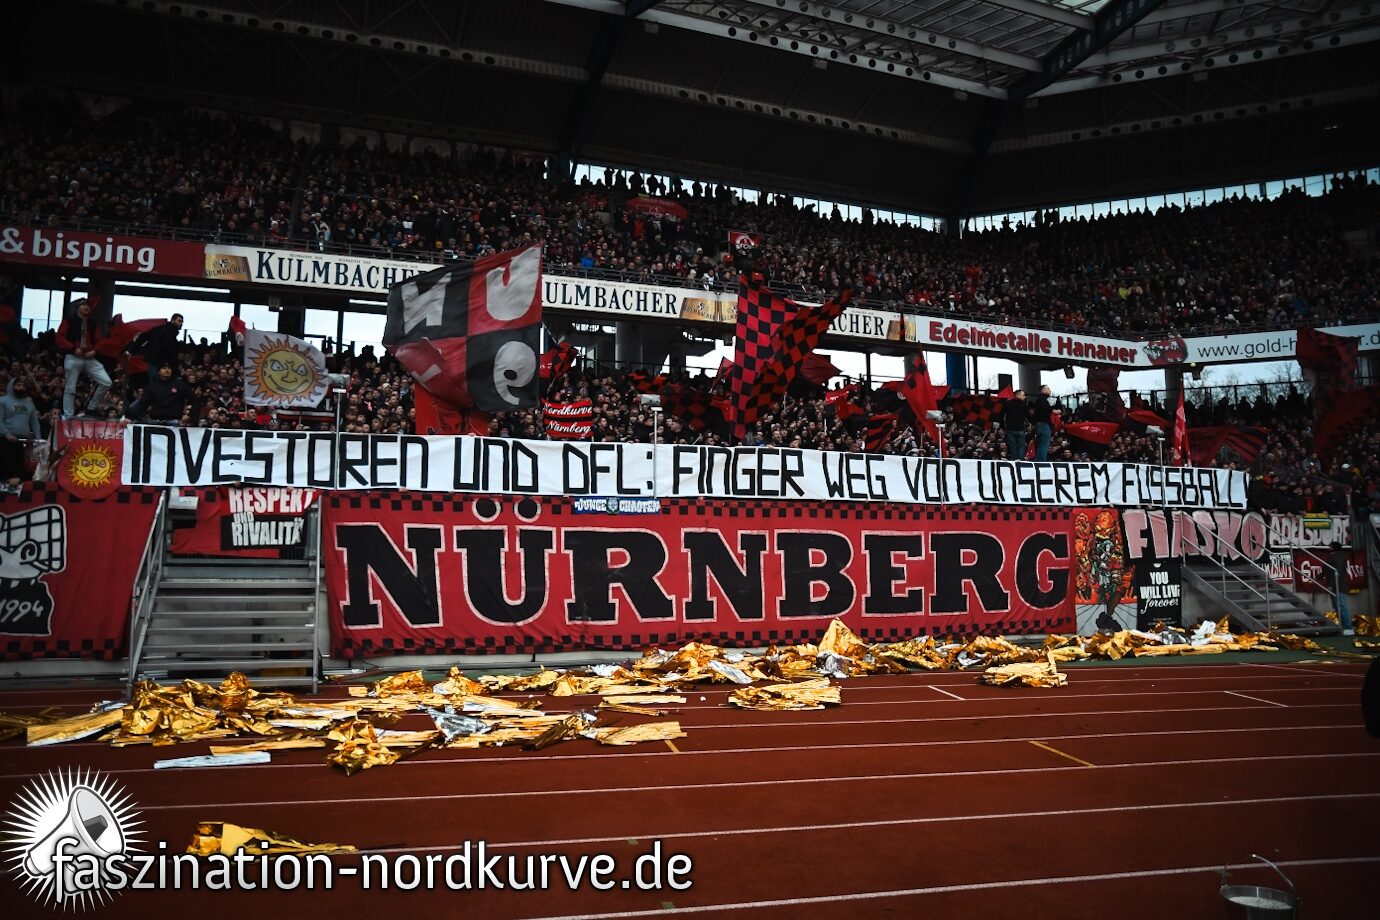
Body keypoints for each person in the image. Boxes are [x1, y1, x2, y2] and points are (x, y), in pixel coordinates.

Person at [55, 298, 112, 419]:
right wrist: (72, 348)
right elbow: (60, 337)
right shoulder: (69, 321)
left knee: (106, 382)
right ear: (78, 307)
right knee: (70, 387)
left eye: (88, 306)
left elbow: (99, 340)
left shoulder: (93, 323)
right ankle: (68, 415)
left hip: (88, 357)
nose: (87, 307)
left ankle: (91, 407)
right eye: (84, 305)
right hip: (73, 356)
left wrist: (95, 351)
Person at [0, 377, 40, 488]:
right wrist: (7, 434)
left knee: (22, 468)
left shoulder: (29, 404)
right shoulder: (3, 401)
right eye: (18, 385)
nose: (21, 388)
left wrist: (38, 439)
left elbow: (35, 423)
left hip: (23, 441)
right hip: (5, 439)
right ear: (11, 387)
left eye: (23, 386)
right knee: (9, 468)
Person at [125, 363, 191, 424]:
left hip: (175, 421)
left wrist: (189, 415)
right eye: (164, 368)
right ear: (159, 371)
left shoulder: (180, 385)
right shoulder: (152, 386)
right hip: (156, 422)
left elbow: (194, 400)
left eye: (169, 368)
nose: (167, 370)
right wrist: (129, 418)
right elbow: (142, 403)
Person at [1327, 541, 1354, 636]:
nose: (1328, 548)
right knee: (1337, 607)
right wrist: (1317, 578)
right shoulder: (1334, 557)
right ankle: (1343, 626)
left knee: (1342, 606)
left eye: (1330, 546)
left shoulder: (1338, 558)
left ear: (1333, 547)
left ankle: (1348, 627)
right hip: (1335, 585)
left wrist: (1331, 584)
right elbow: (1327, 570)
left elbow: (1336, 572)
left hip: (1339, 586)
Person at [1030, 383, 1060, 462]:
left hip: (1040, 424)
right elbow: (1047, 409)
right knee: (1044, 444)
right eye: (1048, 389)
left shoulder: (1040, 400)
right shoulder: (1042, 400)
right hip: (1043, 424)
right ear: (1043, 390)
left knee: (1041, 444)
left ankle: (1040, 460)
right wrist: (1054, 411)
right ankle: (1042, 461)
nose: (1050, 390)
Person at [1003, 389, 1028, 460]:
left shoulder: (1008, 403)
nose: (1024, 397)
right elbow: (1028, 415)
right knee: (1021, 445)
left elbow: (1002, 415)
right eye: (1023, 395)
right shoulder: (1023, 404)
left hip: (1010, 428)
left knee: (1013, 446)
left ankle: (1014, 460)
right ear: (1018, 395)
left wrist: (1003, 426)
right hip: (1020, 428)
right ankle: (1020, 460)